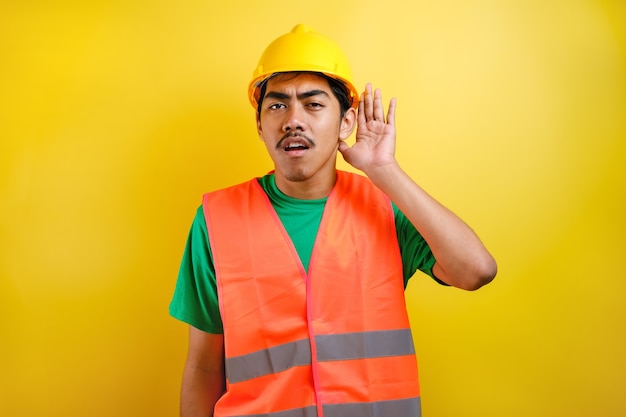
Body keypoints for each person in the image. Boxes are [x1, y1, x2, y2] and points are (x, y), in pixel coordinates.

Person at [169, 24, 497, 417]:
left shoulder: (384, 206)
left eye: (313, 104)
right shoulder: (216, 219)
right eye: (277, 105)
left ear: (346, 122)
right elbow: (204, 364)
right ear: (260, 125)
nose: (293, 119)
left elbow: (475, 270)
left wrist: (385, 170)